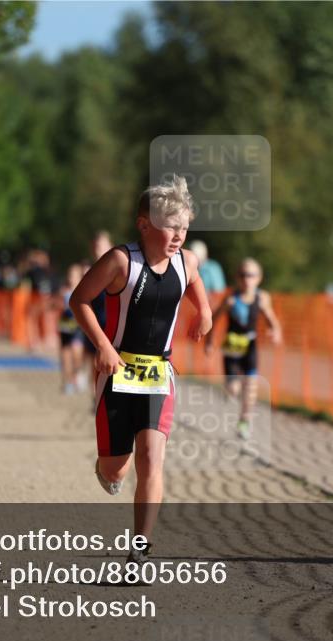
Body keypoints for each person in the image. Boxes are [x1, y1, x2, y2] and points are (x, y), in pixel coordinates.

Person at [70, 176, 211, 565]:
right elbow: (79, 299)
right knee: (118, 469)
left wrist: (206, 311)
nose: (179, 234)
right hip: (116, 372)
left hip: (158, 376)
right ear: (145, 224)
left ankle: (140, 551)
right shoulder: (120, 261)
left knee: (152, 458)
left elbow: (195, 281)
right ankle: (107, 469)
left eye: (184, 226)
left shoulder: (188, 261)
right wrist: (102, 346)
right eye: (170, 225)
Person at [205, 258, 282, 440]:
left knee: (251, 387)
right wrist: (209, 342)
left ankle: (244, 421)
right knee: (234, 389)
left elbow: (272, 319)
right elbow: (214, 319)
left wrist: (275, 332)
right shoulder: (231, 299)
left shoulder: (262, 298)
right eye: (243, 275)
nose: (247, 279)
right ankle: (230, 390)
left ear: (259, 278)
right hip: (231, 347)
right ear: (237, 278)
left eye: (251, 275)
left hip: (250, 346)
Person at [81, 231, 113, 394]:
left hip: (113, 325)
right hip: (96, 323)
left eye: (100, 246)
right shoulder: (89, 271)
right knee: (94, 362)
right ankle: (96, 396)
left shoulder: (118, 269)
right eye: (95, 246)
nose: (96, 249)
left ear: (110, 246)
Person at [57, 264, 86, 394]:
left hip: (78, 327)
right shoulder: (64, 290)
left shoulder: (83, 290)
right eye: (70, 275)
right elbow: (56, 305)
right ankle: (68, 382)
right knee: (65, 356)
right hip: (65, 326)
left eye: (74, 275)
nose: (71, 278)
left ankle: (77, 375)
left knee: (77, 355)